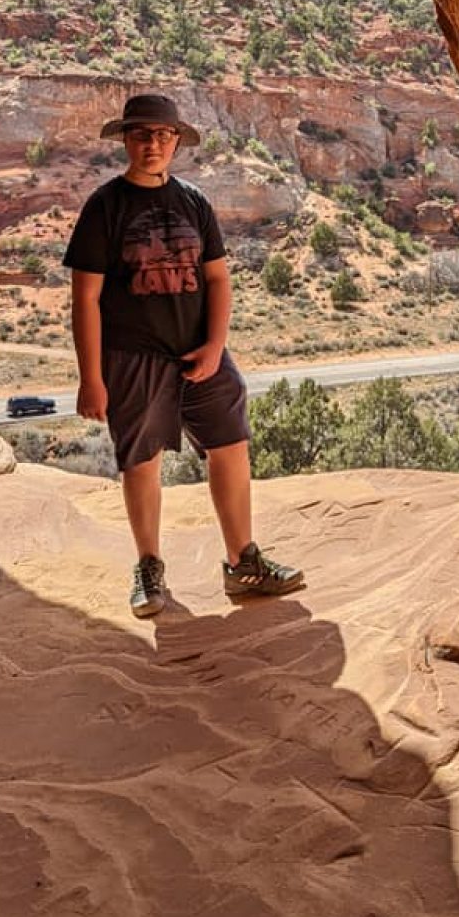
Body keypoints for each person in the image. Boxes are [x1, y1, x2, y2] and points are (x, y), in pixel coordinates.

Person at [63, 92, 304, 617]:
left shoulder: (194, 201)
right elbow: (85, 297)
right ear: (126, 140)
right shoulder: (106, 206)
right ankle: (149, 568)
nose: (152, 144)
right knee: (142, 460)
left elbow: (217, 278)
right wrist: (92, 378)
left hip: (200, 349)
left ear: (177, 142)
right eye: (142, 135)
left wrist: (216, 346)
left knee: (231, 444)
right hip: (133, 354)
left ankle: (244, 564)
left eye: (162, 135)